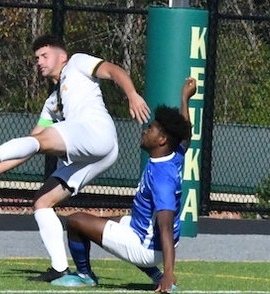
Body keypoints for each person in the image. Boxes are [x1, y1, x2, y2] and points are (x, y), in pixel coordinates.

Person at [0, 35, 150, 280]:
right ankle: (59, 269)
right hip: (97, 155)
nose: (39, 62)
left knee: (43, 139)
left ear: (62, 56)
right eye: (37, 58)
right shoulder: (52, 103)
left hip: (97, 133)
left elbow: (113, 70)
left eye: (44, 56)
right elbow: (32, 142)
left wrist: (132, 94)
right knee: (42, 202)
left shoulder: (77, 62)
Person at [52, 77, 197, 291]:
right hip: (148, 235)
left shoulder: (162, 178)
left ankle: (84, 275)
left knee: (75, 221)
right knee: (111, 222)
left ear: (162, 140)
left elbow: (165, 226)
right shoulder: (173, 155)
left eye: (151, 128)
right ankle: (155, 274)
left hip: (147, 247)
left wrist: (169, 273)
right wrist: (185, 99)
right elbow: (185, 137)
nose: (145, 130)